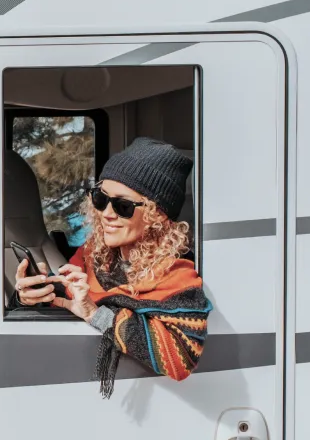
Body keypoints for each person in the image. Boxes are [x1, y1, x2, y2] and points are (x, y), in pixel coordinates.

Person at [12, 137, 212, 398]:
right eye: (100, 198)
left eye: (123, 206)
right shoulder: (92, 255)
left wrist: (97, 314)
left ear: (157, 215)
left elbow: (180, 358)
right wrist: (30, 296)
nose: (106, 213)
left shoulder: (176, 274)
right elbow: (65, 301)